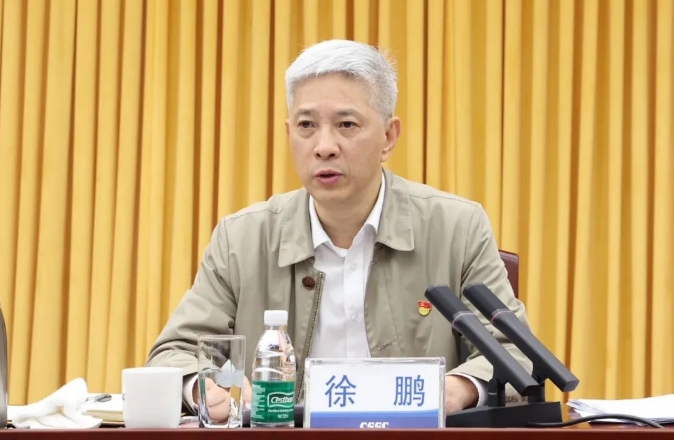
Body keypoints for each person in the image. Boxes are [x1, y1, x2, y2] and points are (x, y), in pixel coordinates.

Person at [145, 39, 533, 420]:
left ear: (388, 137)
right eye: (307, 125)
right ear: (289, 134)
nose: (324, 146)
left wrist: (457, 389)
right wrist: (206, 386)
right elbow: (174, 352)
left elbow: (515, 352)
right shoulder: (242, 239)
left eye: (346, 124)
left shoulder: (457, 228)